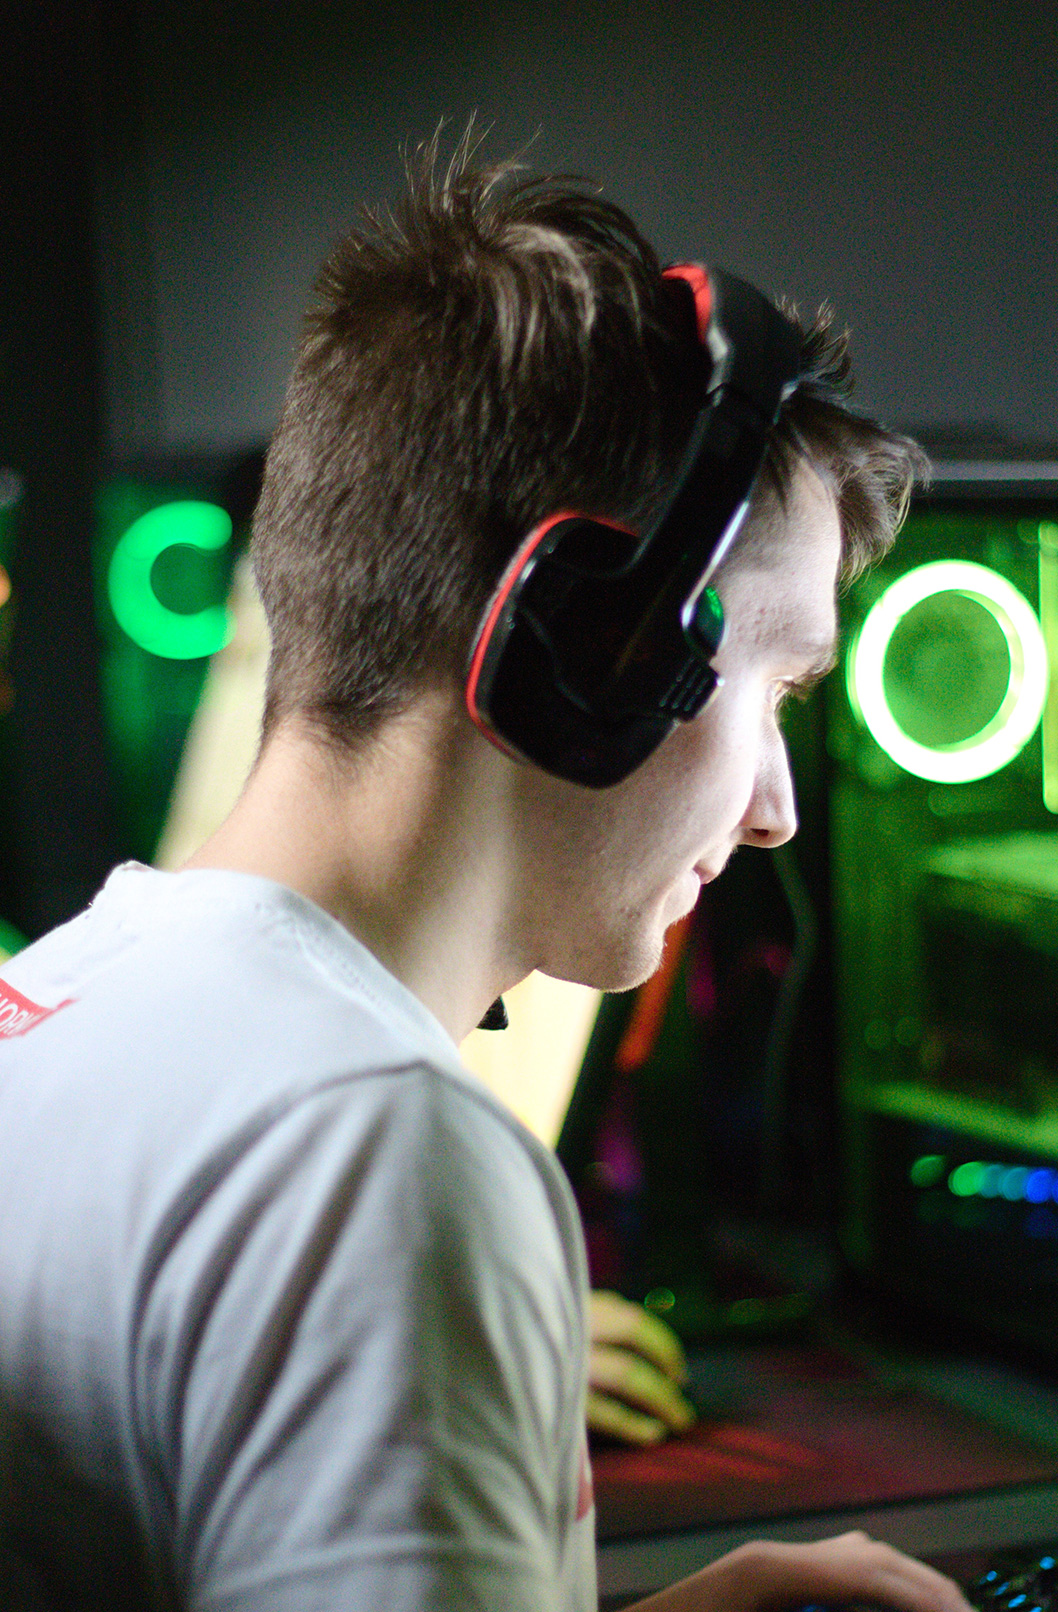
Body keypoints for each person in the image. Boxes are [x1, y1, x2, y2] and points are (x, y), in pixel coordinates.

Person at [0, 137, 971, 1612]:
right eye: (771, 688)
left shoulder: (67, 1002)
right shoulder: (380, 1160)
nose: (776, 810)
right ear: (579, 651)